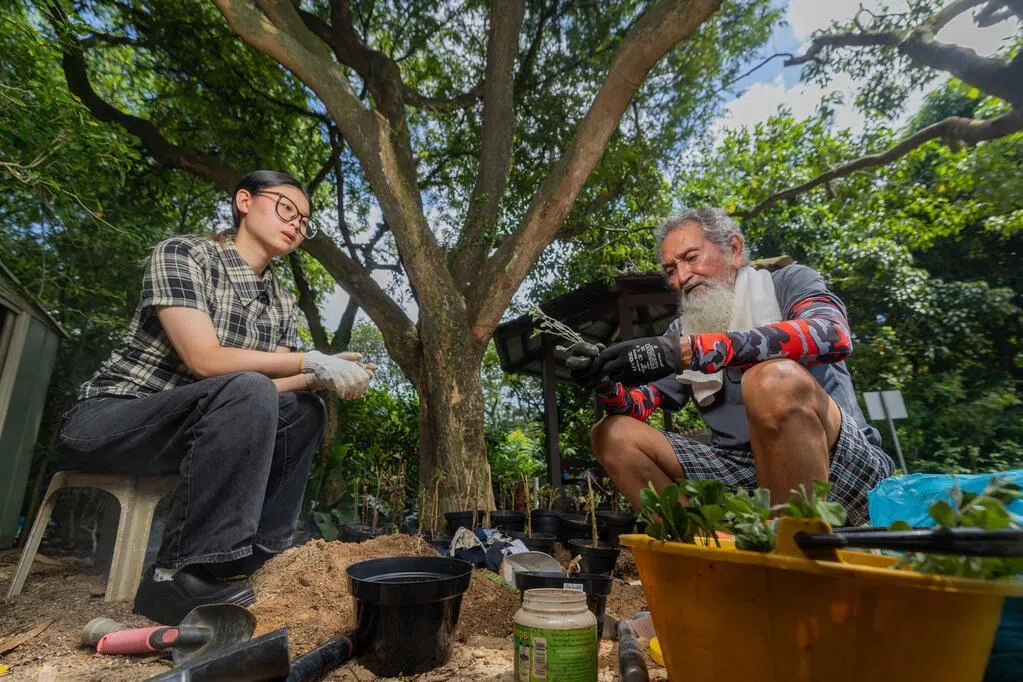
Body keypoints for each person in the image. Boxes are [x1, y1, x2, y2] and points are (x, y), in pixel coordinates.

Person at [60, 170, 374, 625]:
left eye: (305, 221)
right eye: (287, 208)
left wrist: (319, 377)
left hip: (198, 428)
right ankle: (175, 575)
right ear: (245, 200)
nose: (296, 224)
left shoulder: (281, 303)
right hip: (115, 417)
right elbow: (204, 359)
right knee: (246, 385)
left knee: (304, 410)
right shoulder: (184, 254)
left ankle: (251, 559)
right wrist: (310, 359)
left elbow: (267, 395)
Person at [568, 207, 893, 526]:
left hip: (838, 463)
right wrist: (605, 383)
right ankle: (705, 561)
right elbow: (636, 406)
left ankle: (790, 556)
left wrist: (696, 351)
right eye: (670, 270)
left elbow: (834, 334)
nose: (682, 277)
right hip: (740, 470)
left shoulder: (787, 283)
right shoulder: (683, 332)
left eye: (692, 258)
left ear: (734, 249)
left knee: (770, 380)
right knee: (612, 434)